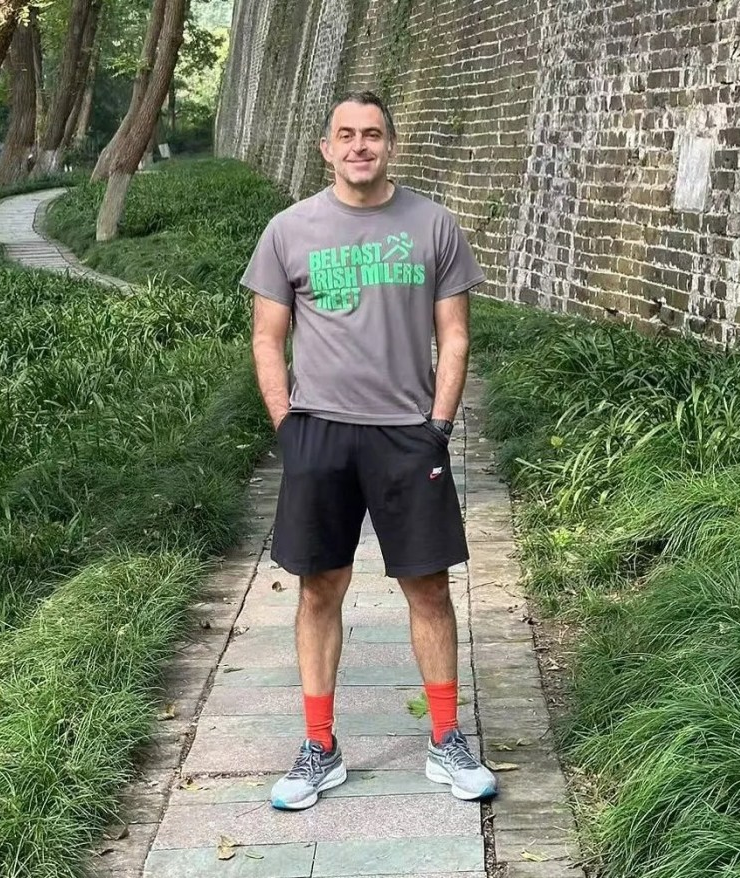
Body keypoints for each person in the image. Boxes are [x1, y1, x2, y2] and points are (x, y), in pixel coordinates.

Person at [242, 91, 497, 811]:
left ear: (390, 145)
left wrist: (438, 424)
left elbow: (455, 334)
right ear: (326, 148)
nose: (360, 146)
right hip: (319, 431)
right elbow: (268, 337)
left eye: (373, 135)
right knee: (319, 588)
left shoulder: (433, 224)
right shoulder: (289, 230)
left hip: (408, 434)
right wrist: (286, 424)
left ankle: (446, 741)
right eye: (346, 136)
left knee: (428, 585)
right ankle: (319, 748)